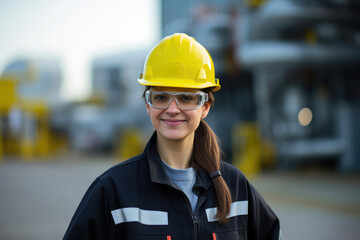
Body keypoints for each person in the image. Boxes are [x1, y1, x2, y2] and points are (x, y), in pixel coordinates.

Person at [63, 33, 282, 240]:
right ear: (148, 105)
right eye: (160, 97)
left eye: (186, 98)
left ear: (205, 107)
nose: (173, 109)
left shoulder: (236, 187)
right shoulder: (113, 191)